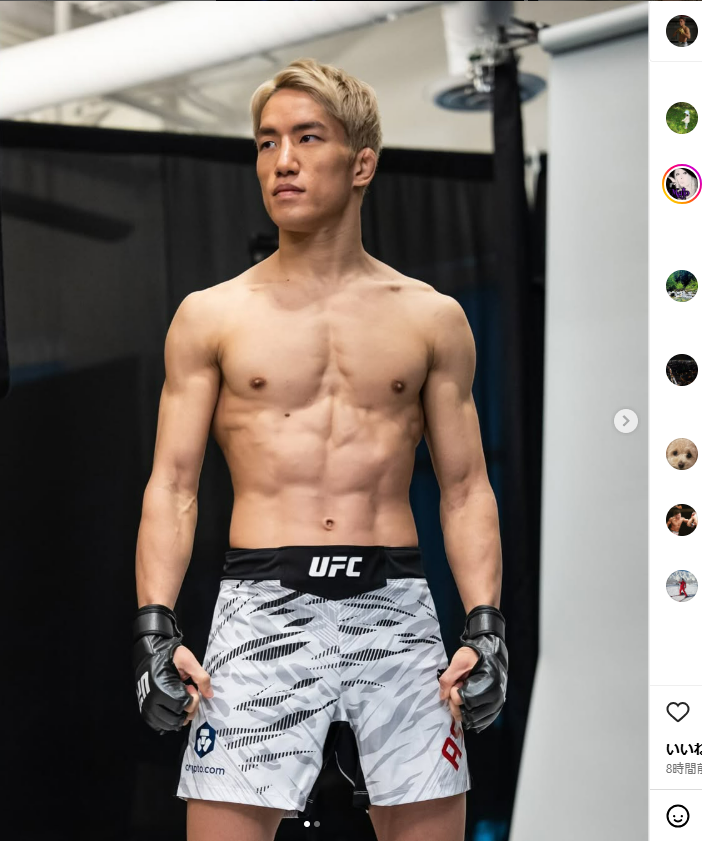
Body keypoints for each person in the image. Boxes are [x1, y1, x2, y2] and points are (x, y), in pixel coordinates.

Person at [132, 58, 507, 841]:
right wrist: (155, 625)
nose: (282, 161)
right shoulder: (211, 315)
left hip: (394, 609)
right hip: (262, 606)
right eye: (266, 142)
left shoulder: (430, 317)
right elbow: (172, 484)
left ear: (361, 163)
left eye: (307, 138)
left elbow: (466, 487)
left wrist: (484, 624)